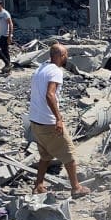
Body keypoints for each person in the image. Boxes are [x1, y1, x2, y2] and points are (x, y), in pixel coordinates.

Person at [28, 43, 90, 197]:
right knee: (69, 155)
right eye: (65, 54)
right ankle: (76, 188)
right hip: (48, 122)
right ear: (61, 56)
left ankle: (39, 185)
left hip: (35, 121)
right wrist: (59, 119)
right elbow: (50, 95)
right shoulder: (56, 72)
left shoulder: (41, 68)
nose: (67, 57)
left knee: (45, 155)